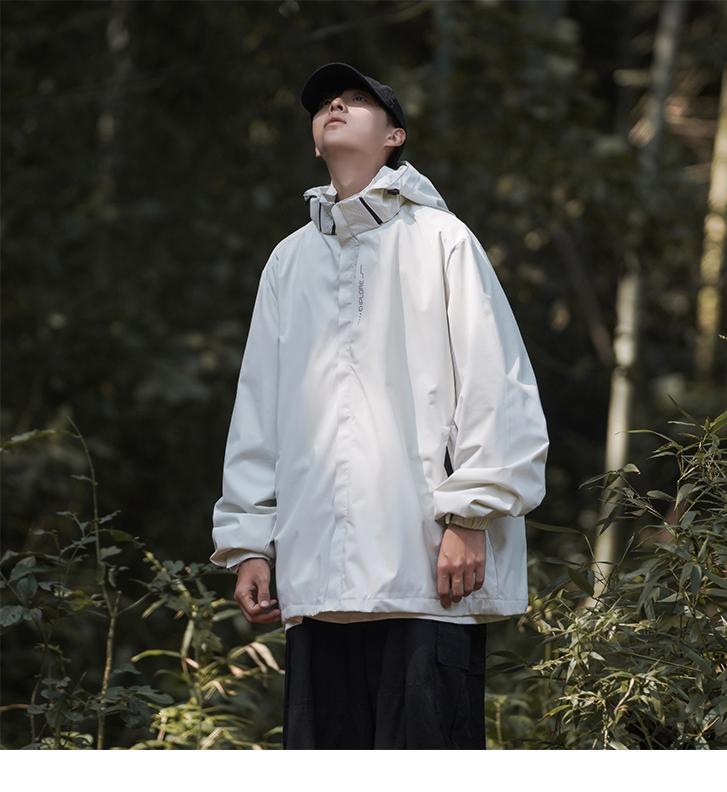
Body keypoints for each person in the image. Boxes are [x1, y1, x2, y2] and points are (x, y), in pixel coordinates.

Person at [209, 62, 550, 749]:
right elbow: (258, 411)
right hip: (316, 579)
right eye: (324, 104)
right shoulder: (288, 261)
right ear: (314, 142)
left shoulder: (442, 239)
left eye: (357, 99)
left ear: (395, 136)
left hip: (427, 570)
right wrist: (249, 543)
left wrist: (470, 516)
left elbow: (496, 382)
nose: (335, 106)